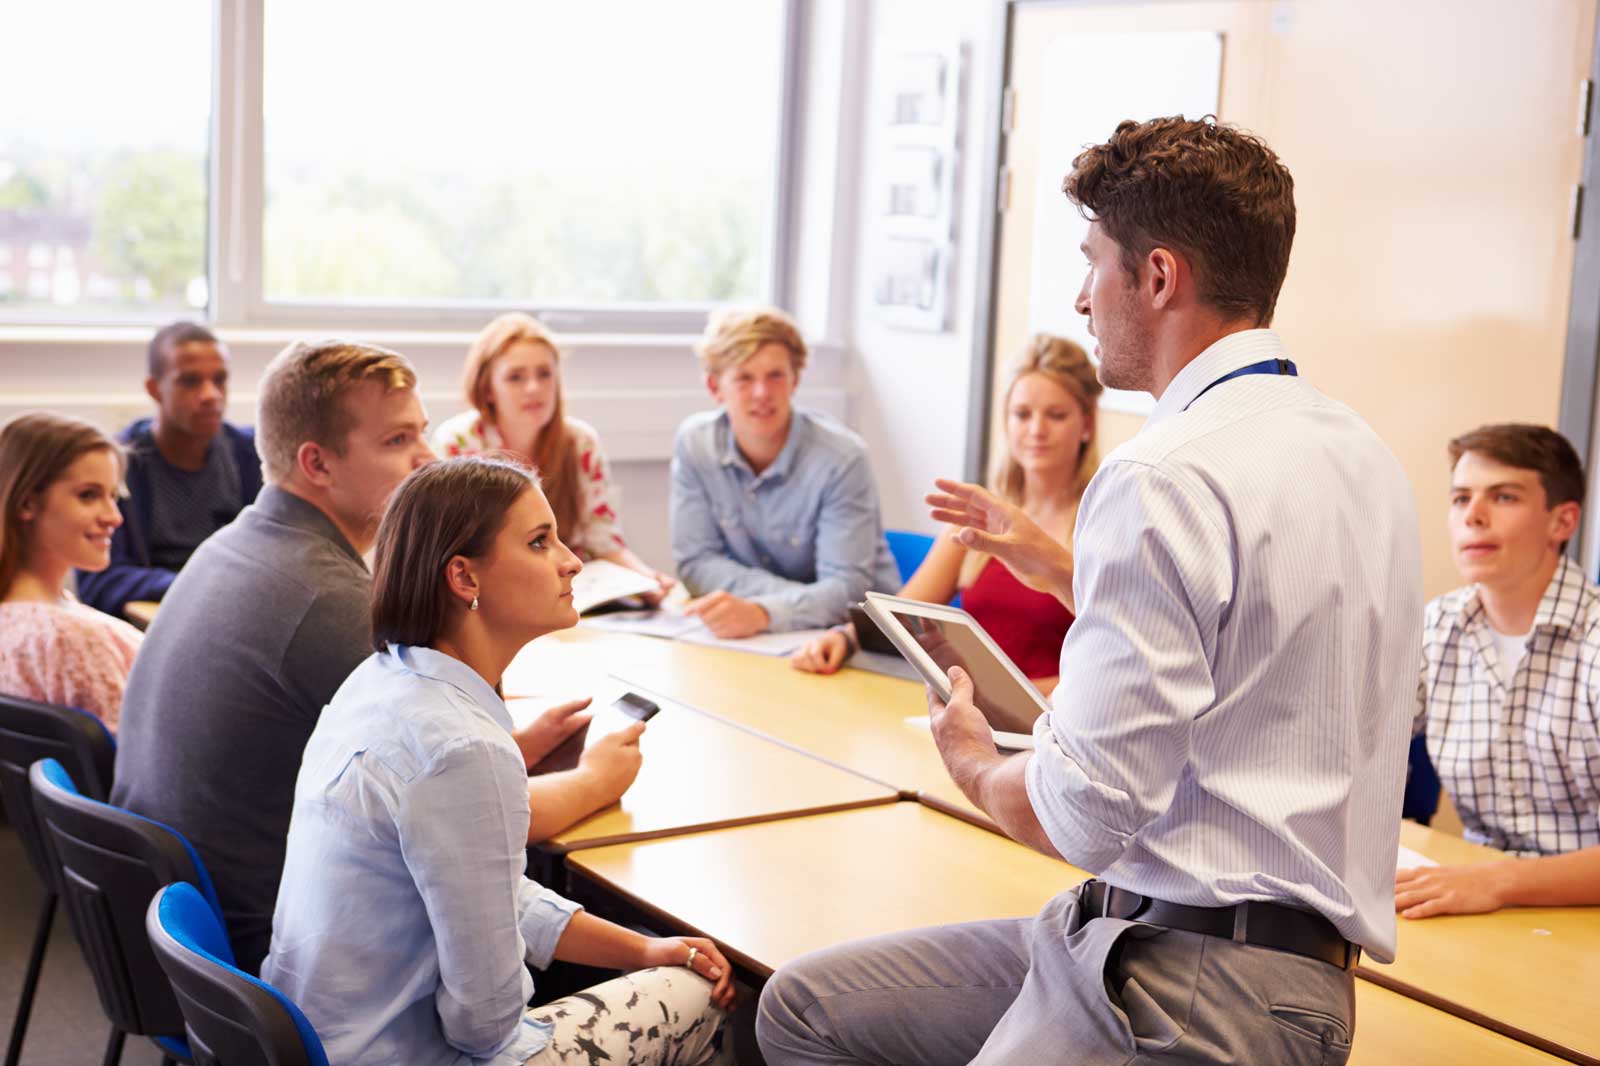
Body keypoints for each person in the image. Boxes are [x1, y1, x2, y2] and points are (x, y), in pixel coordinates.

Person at [758, 116, 1424, 1066]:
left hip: (1186, 980)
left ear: (1157, 278)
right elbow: (1253, 651)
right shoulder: (1363, 457)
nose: (1080, 297)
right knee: (805, 1006)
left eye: (1093, 262)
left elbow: (1085, 812)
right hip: (1240, 958)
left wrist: (978, 762)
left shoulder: (1160, 472)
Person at [112, 340, 641, 975]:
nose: (427, 457)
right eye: (397, 442)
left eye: (421, 432)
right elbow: (478, 826)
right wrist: (595, 781)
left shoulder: (237, 545)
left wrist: (515, 750)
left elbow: (408, 776)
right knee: (629, 948)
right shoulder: (327, 601)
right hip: (272, 963)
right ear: (317, 463)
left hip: (184, 940)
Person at [263, 456, 732, 1065]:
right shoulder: (466, 750)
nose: (573, 560)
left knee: (652, 970)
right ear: (463, 577)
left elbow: (487, 892)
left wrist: (640, 951)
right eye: (540, 542)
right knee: (709, 998)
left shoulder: (379, 680)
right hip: (395, 1056)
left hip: (323, 1043)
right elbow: (483, 1027)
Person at [791, 334, 1100, 693]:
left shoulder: (1101, 522)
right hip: (973, 713)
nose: (1036, 430)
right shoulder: (979, 514)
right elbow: (902, 614)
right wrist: (844, 638)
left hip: (1056, 722)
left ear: (1087, 424)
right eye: (1022, 414)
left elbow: (1115, 660)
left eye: (1056, 415)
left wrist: (1021, 697)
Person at [1399, 423, 1600, 918]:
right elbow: (1357, 744)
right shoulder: (1439, 624)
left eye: (1504, 497)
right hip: (1486, 903)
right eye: (1461, 498)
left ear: (1563, 522)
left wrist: (1501, 880)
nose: (1474, 516)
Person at [671, 306, 898, 637]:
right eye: (744, 378)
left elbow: (847, 590)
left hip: (857, 638)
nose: (762, 393)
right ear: (715, 387)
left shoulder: (843, 459)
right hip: (764, 637)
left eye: (775, 375)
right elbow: (695, 563)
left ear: (795, 380)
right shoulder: (695, 444)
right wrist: (785, 605)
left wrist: (765, 612)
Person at [431, 312, 672, 600]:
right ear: (487, 389)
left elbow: (605, 543)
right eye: (515, 377)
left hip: (569, 596)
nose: (533, 388)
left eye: (544, 374)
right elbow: (450, 551)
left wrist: (645, 580)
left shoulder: (580, 443)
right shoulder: (458, 443)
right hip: (490, 599)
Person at [76, 321, 262, 619]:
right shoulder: (120, 464)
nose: (210, 394)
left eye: (220, 379)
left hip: (235, 613)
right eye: (190, 381)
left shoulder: (250, 455)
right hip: (156, 621)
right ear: (154, 389)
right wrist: (194, 585)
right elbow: (99, 581)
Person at [0, 413, 140, 729]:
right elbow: (132, 769)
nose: (114, 517)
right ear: (26, 504)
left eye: (113, 496)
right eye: (88, 495)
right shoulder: (76, 640)